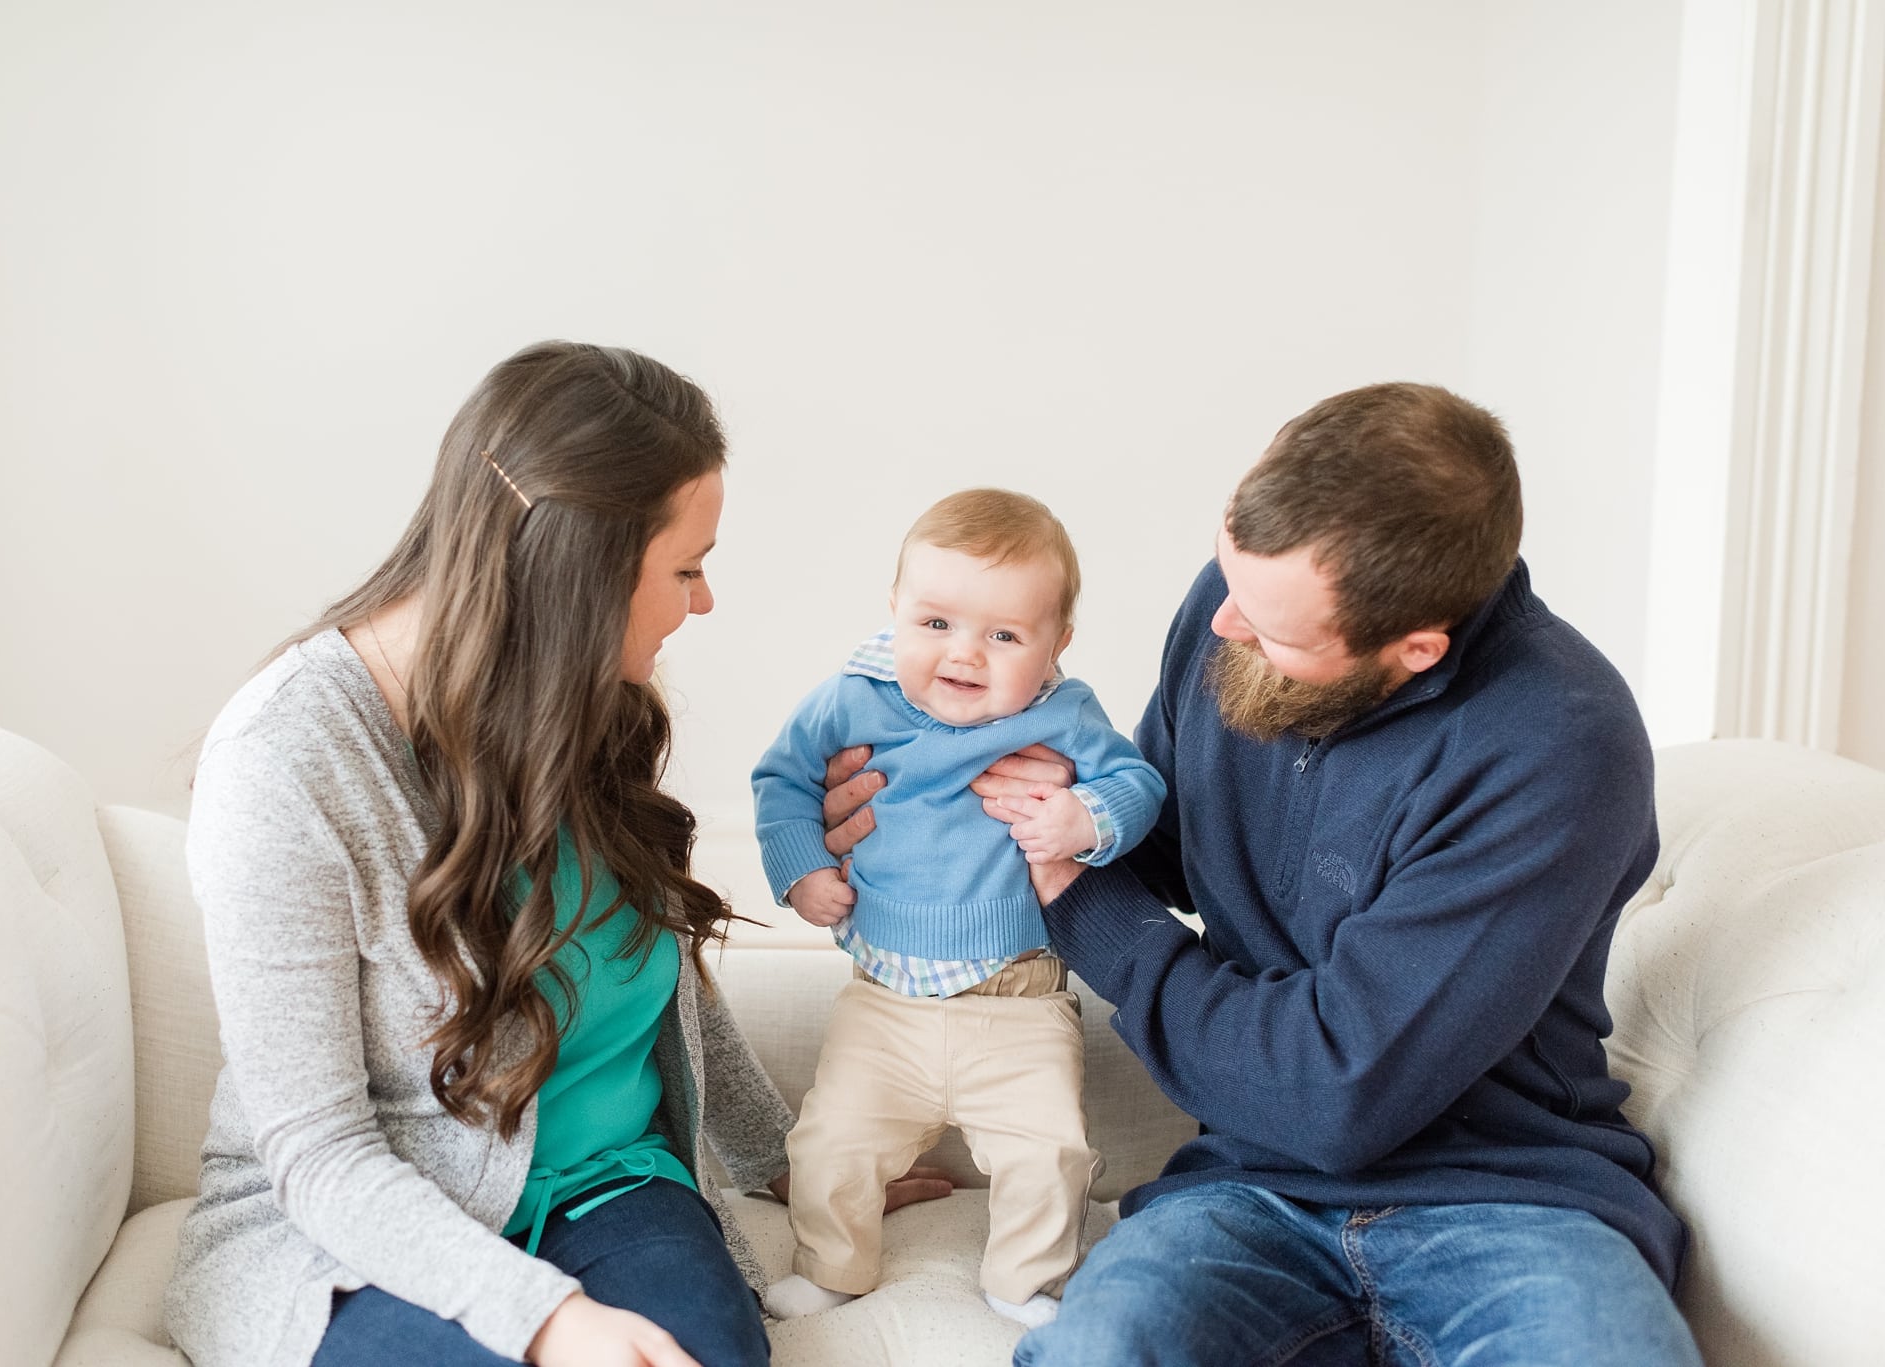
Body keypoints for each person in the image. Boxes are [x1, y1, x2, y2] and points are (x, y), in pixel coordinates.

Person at [821, 383, 1703, 1365]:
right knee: (1101, 1348)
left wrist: (1076, 891)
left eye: (1274, 627)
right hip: (1244, 1192)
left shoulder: (1556, 740)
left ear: (1413, 649)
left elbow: (1329, 1092)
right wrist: (961, 804)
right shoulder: (1234, 607)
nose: (1225, 622)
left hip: (1508, 1201)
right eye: (1227, 574)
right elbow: (1159, 837)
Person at [164, 341, 948, 1367]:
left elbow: (664, 986)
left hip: (613, 1185)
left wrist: (791, 1161)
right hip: (349, 1232)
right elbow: (317, 1153)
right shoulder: (286, 757)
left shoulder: (582, 707)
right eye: (684, 567)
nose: (701, 601)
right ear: (579, 572)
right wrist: (541, 1318)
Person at [751, 489, 1166, 1329]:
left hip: (1018, 1004)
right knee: (831, 1144)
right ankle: (834, 1263)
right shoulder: (850, 698)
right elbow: (781, 781)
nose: (965, 654)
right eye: (936, 623)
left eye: (1004, 635)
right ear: (895, 609)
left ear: (1056, 644)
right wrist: (802, 872)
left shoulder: (1064, 710)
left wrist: (1085, 817)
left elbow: (1140, 783)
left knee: (1049, 1154)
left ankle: (1023, 1279)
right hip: (884, 1005)